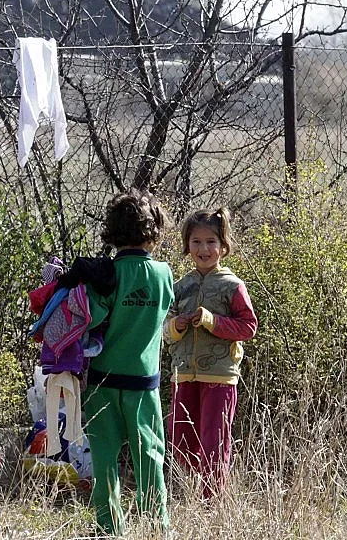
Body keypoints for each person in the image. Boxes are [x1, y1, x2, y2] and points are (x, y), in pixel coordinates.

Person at [82, 190, 174, 535]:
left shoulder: (106, 275)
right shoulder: (163, 275)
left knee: (104, 457)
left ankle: (108, 527)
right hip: (143, 385)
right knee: (149, 455)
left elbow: (90, 318)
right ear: (154, 232)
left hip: (102, 381)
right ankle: (156, 525)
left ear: (112, 233)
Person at [165, 207, 258, 498]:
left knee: (213, 441)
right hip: (183, 376)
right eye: (196, 242)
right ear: (186, 245)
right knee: (181, 440)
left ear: (223, 245)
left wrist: (211, 321)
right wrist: (176, 325)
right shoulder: (179, 286)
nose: (203, 249)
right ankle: (185, 497)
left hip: (220, 376)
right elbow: (163, 331)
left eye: (210, 242)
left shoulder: (233, 285)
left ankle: (212, 500)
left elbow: (248, 327)